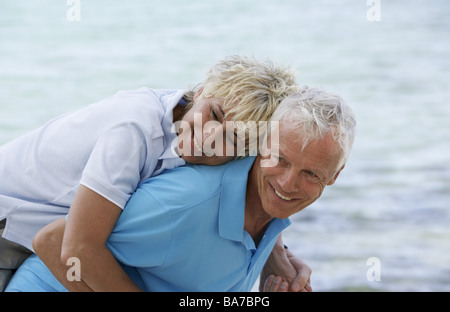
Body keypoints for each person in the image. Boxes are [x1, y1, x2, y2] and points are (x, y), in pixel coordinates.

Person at [0, 55, 308, 291]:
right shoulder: (135, 128)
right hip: (7, 222)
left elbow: (256, 182)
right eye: (215, 114)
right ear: (201, 90)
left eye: (234, 138)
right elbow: (78, 248)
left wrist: (274, 252)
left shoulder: (216, 141)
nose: (210, 138)